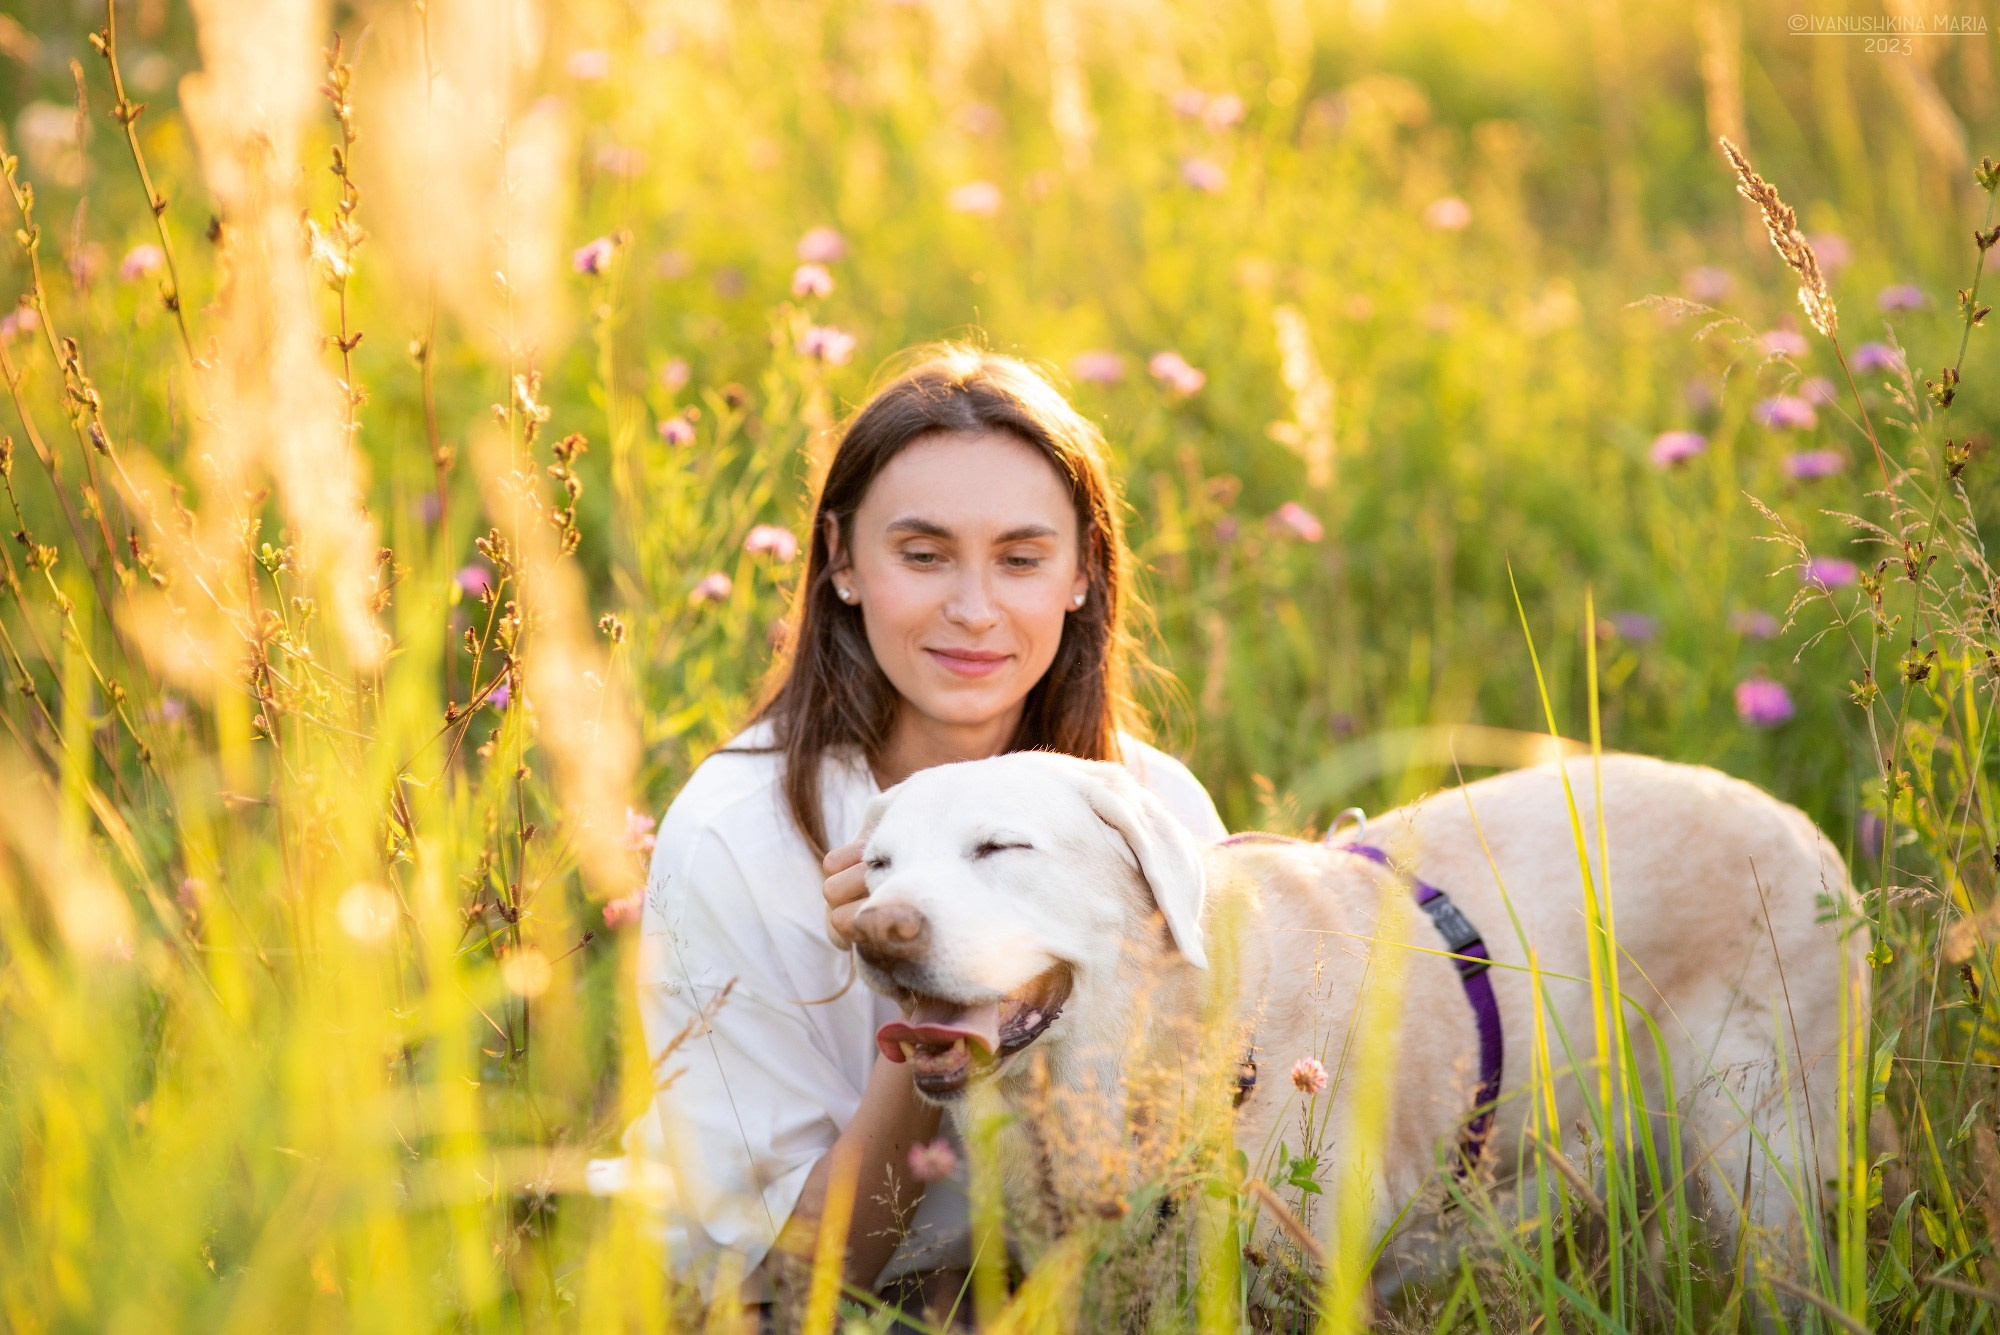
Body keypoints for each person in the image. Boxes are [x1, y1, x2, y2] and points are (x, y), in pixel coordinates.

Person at [613, 343, 1229, 1325]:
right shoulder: (740, 838)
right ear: (842, 562)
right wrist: (923, 990)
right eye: (923, 554)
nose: (974, 610)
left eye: (1021, 559)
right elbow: (793, 1286)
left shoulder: (1148, 810)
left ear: (1081, 573)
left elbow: (1211, 1167)